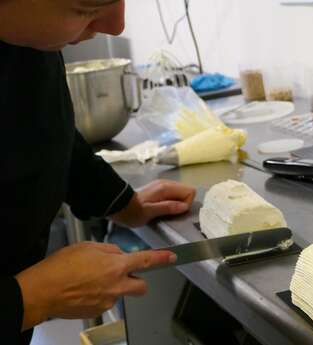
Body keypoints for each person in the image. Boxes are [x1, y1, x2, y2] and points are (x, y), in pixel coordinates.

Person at [0, 0, 196, 343]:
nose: (115, 25)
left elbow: (44, 129)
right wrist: (29, 299)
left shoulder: (24, 40)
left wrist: (120, 201)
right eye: (85, 7)